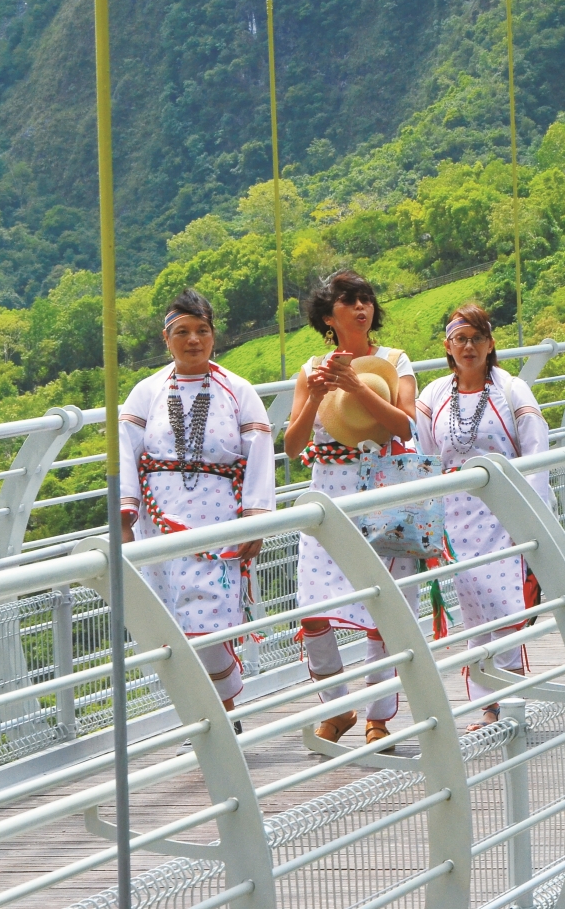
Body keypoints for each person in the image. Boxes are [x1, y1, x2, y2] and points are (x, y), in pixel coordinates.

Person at [119, 288, 275, 730]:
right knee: (173, 629)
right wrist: (125, 517)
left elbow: (260, 453)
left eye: (201, 331)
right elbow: (125, 451)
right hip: (160, 526)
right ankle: (207, 719)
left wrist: (256, 519)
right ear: (166, 338)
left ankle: (221, 715)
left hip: (218, 526)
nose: (193, 340)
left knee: (210, 625)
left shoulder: (238, 390)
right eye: (182, 332)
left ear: (213, 335)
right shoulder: (145, 392)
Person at [282, 270, 419, 748]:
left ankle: (379, 716)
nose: (361, 307)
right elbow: (293, 447)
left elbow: (404, 426)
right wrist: (319, 392)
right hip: (328, 502)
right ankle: (337, 706)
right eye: (349, 300)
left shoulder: (394, 362)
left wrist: (357, 388)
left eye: (366, 298)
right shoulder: (310, 367)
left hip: (383, 493)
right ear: (328, 316)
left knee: (384, 609)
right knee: (314, 609)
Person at [417, 304, 552, 731]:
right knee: (475, 614)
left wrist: (532, 516)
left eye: (477, 338)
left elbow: (536, 450)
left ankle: (508, 704)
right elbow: (423, 456)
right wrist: (426, 517)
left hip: (504, 510)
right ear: (448, 346)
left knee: (506, 608)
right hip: (456, 518)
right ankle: (487, 706)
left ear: (491, 344)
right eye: (460, 339)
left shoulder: (511, 390)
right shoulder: (433, 396)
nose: (469, 346)